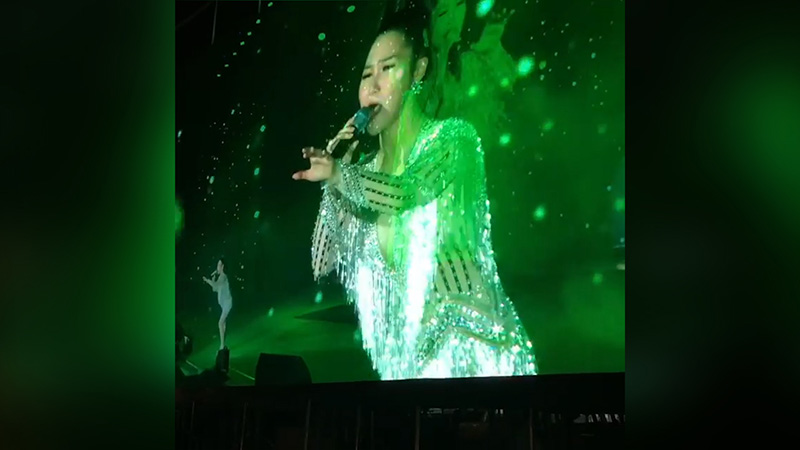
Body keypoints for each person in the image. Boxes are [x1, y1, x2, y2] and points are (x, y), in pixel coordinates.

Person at [292, 7, 536, 379]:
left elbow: (407, 193)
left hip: (479, 364)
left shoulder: (454, 139)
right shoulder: (361, 175)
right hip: (411, 380)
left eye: (387, 69)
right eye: (366, 75)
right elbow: (321, 261)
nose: (372, 86)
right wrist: (333, 182)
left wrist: (341, 176)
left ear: (418, 71)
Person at [203, 258, 232, 350]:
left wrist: (208, 280)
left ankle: (222, 345)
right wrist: (213, 279)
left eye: (219, 265)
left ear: (222, 266)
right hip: (223, 305)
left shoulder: (223, 277)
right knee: (223, 324)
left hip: (227, 304)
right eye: (217, 265)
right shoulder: (220, 277)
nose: (217, 267)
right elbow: (215, 289)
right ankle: (223, 344)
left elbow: (215, 285)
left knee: (220, 323)